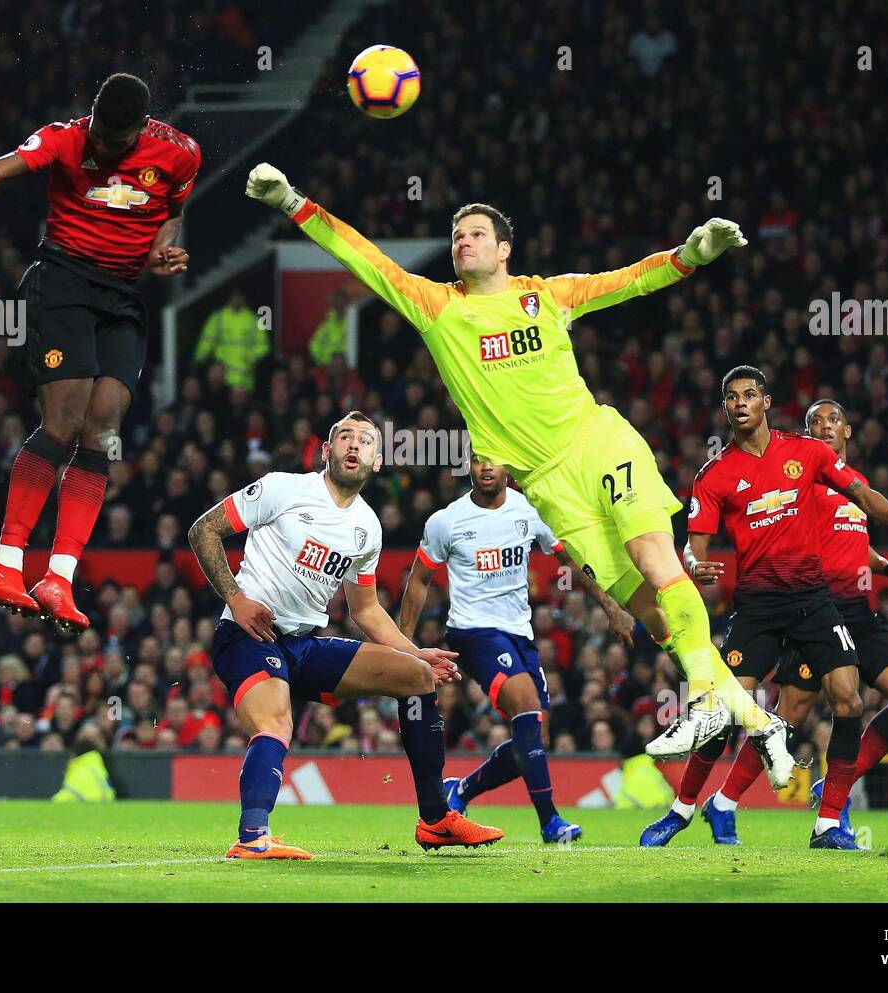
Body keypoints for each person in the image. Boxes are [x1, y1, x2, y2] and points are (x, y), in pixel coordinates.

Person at [244, 162, 793, 779]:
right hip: (546, 486)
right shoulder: (439, 309)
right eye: (456, 234)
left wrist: (693, 253)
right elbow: (366, 259)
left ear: (505, 249)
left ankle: (704, 699)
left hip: (597, 441)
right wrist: (292, 200)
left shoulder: (545, 296)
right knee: (649, 608)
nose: (463, 241)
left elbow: (630, 281)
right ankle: (757, 718)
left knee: (653, 558)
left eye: (476, 233)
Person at [0, 72, 200, 631]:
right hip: (63, 284)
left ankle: (59, 577)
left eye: (114, 141)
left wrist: (163, 253)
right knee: (64, 419)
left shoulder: (179, 153)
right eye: (97, 130)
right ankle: (5, 566)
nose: (101, 145)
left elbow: (171, 213)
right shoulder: (65, 137)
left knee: (103, 429)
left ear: (141, 130)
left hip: (123, 296)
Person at [188, 410, 505, 859]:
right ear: (326, 451)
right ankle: (252, 837)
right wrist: (236, 599)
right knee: (277, 721)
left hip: (302, 644)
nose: (354, 445)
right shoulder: (284, 488)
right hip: (248, 635)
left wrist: (418, 653)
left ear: (377, 461)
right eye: (345, 438)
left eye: (366, 441)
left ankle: (436, 820)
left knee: (416, 677)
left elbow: (367, 610)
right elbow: (204, 530)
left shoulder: (368, 527)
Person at [640, 369, 888, 851]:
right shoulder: (714, 475)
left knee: (849, 700)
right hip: (757, 606)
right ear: (725, 407)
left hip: (813, 601)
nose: (741, 403)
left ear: (766, 401)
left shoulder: (807, 453)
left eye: (750, 395)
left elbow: (859, 492)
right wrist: (696, 564)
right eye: (731, 397)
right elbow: (693, 545)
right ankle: (682, 809)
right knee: (724, 710)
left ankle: (829, 823)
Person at [397, 450, 639, 843]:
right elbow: (419, 579)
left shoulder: (531, 511)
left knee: (533, 739)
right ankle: (550, 821)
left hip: (520, 634)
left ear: (508, 466)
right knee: (527, 707)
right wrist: (403, 646)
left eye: (494, 459)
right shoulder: (447, 521)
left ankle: (462, 790)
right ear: (469, 467)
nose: (486, 467)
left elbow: (571, 563)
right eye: (477, 460)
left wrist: (611, 607)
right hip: (473, 632)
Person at [192, 288, 267, 391]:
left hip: (244, 378)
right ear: (229, 298)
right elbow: (206, 341)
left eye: (239, 296)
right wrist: (198, 359)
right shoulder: (218, 318)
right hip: (221, 378)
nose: (236, 299)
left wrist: (251, 357)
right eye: (234, 296)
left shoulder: (254, 319)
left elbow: (263, 346)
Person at [309, 290, 350, 366]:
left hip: (345, 365)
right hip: (325, 364)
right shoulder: (328, 322)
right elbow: (315, 343)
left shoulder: (353, 321)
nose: (339, 304)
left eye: (341, 301)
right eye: (336, 301)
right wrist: (319, 358)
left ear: (347, 302)